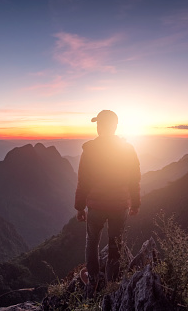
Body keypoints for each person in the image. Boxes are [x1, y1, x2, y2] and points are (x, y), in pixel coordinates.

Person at [75, 110, 141, 296]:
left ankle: (93, 279)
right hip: (120, 205)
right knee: (116, 243)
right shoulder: (127, 149)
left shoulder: (90, 150)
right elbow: (134, 179)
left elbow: (83, 181)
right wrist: (135, 203)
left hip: (96, 205)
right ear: (115, 126)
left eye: (99, 124)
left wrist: (80, 207)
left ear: (100, 127)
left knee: (92, 241)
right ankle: (112, 282)